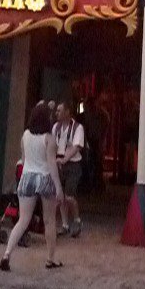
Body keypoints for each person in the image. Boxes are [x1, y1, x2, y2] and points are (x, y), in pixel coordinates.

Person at [0, 103, 63, 271]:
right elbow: (51, 164)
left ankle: (6, 254)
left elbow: (24, 158)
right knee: (49, 220)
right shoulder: (49, 139)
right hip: (44, 178)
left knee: (23, 220)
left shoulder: (25, 135)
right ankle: (50, 259)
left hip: (27, 177)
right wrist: (58, 187)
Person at [54, 101, 86, 237]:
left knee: (69, 196)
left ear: (67, 112)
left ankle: (77, 220)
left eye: (59, 110)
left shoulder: (77, 128)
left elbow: (76, 147)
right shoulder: (56, 127)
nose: (57, 113)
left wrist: (64, 159)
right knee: (60, 196)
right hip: (59, 163)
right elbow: (52, 145)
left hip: (73, 164)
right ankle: (65, 225)